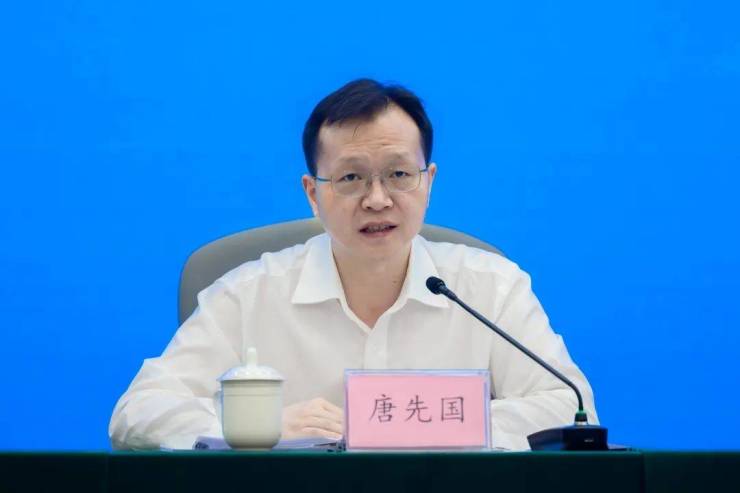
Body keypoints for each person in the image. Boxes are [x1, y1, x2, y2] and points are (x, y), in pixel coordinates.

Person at [109, 78, 598, 451]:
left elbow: (570, 407)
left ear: (428, 182)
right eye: (350, 178)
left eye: (399, 174)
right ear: (312, 194)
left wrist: (437, 423)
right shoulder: (247, 294)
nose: (377, 199)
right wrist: (257, 427)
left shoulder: (491, 288)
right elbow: (137, 412)